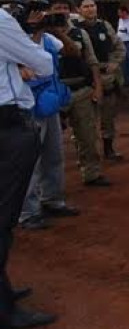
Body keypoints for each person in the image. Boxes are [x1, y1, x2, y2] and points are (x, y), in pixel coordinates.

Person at [0, 0, 58, 329]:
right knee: (3, 218)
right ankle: (3, 310)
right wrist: (25, 37)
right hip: (7, 125)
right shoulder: (1, 21)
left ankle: (3, 290)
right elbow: (43, 64)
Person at [18, 25, 79, 231]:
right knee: (30, 160)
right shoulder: (16, 37)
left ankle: (53, 199)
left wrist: (55, 30)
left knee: (54, 154)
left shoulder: (50, 39)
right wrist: (34, 33)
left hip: (50, 101)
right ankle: (28, 212)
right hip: (28, 104)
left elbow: (72, 52)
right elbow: (28, 61)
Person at [47, 0, 110, 187]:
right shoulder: (44, 35)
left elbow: (92, 61)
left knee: (88, 136)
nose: (61, 12)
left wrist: (97, 87)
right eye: (57, 8)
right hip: (54, 92)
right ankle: (50, 185)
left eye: (64, 8)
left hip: (81, 89)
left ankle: (92, 173)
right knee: (51, 141)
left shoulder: (80, 33)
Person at [76, 0, 126, 161]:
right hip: (85, 78)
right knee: (84, 120)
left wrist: (115, 63)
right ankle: (85, 154)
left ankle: (108, 149)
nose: (90, 9)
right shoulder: (74, 28)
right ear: (78, 10)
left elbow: (119, 47)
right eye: (86, 6)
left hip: (106, 77)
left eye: (92, 5)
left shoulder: (104, 26)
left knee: (108, 116)